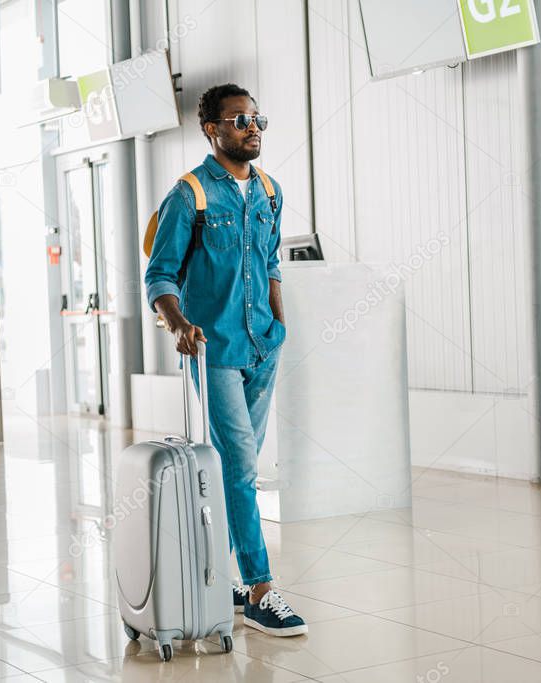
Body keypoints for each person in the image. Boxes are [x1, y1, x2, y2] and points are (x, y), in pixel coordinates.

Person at [144, 83, 307, 637]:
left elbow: (271, 262)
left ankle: (235, 579)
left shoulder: (269, 191)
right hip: (212, 350)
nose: (252, 127)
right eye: (239, 120)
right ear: (212, 130)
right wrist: (179, 322)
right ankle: (261, 588)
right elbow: (159, 275)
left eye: (257, 118)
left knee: (242, 467)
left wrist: (280, 325)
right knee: (240, 464)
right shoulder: (189, 195)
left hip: (263, 346)